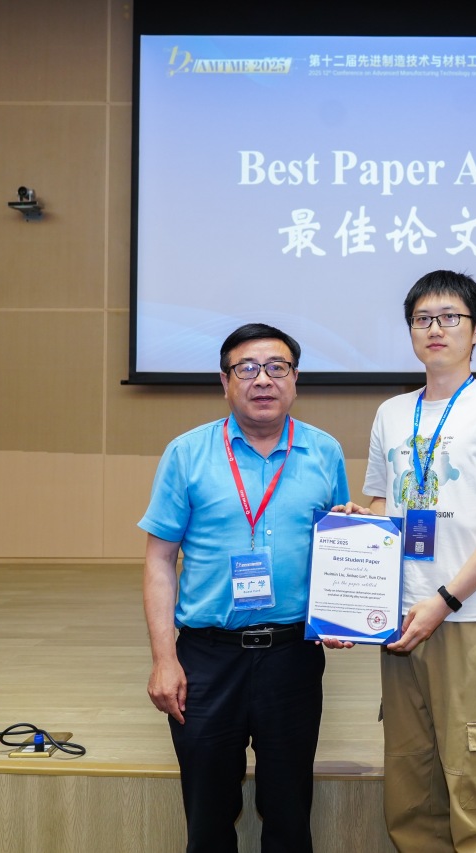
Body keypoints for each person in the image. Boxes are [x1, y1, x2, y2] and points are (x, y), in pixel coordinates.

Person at [139, 323, 351, 853]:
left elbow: (339, 548)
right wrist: (164, 660)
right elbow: (159, 561)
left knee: (290, 812)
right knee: (207, 816)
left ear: (295, 379)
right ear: (225, 381)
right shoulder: (186, 454)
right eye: (247, 368)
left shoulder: (324, 452)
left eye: (277, 367)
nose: (263, 380)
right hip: (207, 660)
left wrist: (344, 608)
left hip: (292, 657)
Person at [359, 270, 476, 852]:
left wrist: (445, 599)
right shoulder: (391, 412)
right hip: (401, 625)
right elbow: (385, 507)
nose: (435, 328)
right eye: (422, 319)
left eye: (450, 318)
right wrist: (356, 529)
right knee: (412, 801)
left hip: (470, 620)